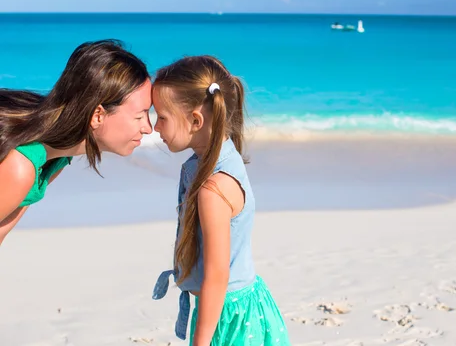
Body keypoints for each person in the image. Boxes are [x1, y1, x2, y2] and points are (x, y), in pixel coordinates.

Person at [151, 56, 290, 346]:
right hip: (243, 304)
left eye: (162, 117)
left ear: (196, 120)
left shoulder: (213, 189)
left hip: (228, 315)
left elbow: (216, 275)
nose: (155, 127)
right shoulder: (221, 159)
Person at [0, 39, 153, 245]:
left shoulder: (56, 152)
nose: (148, 128)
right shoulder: (21, 165)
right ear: (97, 114)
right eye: (139, 116)